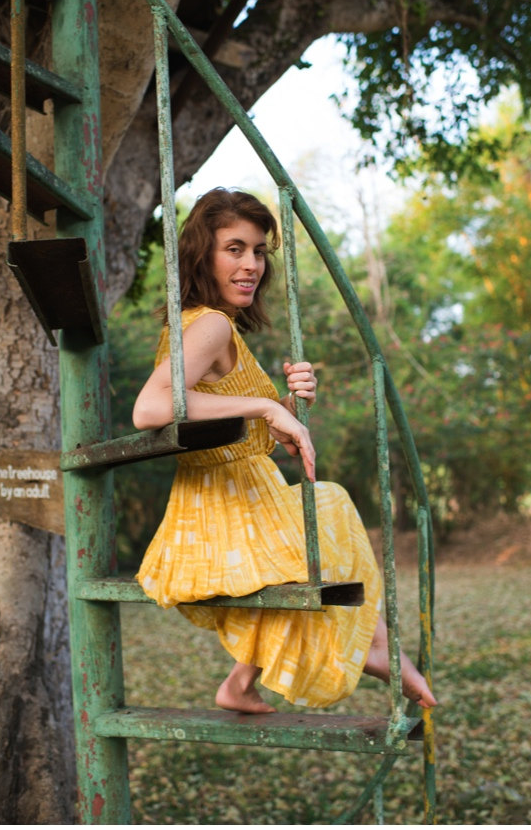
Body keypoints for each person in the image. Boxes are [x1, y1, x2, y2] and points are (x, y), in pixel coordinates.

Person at [133, 188, 437, 713]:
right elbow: (151, 409)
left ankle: (242, 682)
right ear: (201, 254)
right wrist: (266, 408)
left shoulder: (201, 324)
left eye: (258, 251)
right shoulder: (209, 324)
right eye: (234, 248)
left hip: (238, 499)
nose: (251, 264)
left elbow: (224, 417)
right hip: (224, 506)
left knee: (321, 519)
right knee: (331, 507)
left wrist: (285, 403)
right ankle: (376, 645)